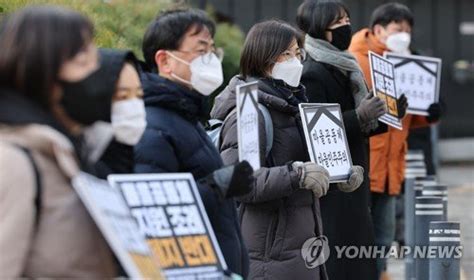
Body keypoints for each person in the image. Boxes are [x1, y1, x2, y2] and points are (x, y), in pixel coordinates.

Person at [211, 19, 365, 280]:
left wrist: (340, 174)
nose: (295, 61)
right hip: (268, 255)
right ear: (263, 58)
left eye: (297, 53)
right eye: (286, 54)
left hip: (301, 247)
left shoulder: (291, 105)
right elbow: (242, 182)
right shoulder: (248, 113)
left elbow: (310, 165)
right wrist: (297, 175)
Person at [134, 8, 253, 277]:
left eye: (212, 51)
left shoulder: (186, 115)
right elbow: (155, 210)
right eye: (201, 51)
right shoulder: (152, 125)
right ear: (165, 60)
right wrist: (219, 185)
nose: (210, 60)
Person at [0, 6, 117, 277]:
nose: (97, 73)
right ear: (37, 69)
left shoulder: (65, 150)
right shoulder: (13, 161)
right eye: (81, 61)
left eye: (95, 60)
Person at [296, 1, 389, 279]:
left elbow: (361, 127)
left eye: (347, 19)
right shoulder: (313, 72)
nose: (346, 27)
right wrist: (358, 116)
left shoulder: (345, 65)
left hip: (355, 176)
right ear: (319, 29)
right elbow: (316, 133)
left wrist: (387, 115)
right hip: (335, 184)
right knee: (343, 256)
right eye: (338, 23)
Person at [348, 3, 441, 279]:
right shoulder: (357, 60)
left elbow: (407, 115)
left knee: (383, 238)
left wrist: (429, 114)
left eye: (408, 30)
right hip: (364, 165)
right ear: (378, 29)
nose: (405, 36)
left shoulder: (409, 61)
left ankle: (380, 274)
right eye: (398, 29)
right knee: (357, 239)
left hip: (391, 166)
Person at [58, 48, 146, 179]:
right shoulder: (69, 158)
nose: (133, 105)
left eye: (139, 96)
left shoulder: (123, 154)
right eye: (122, 96)